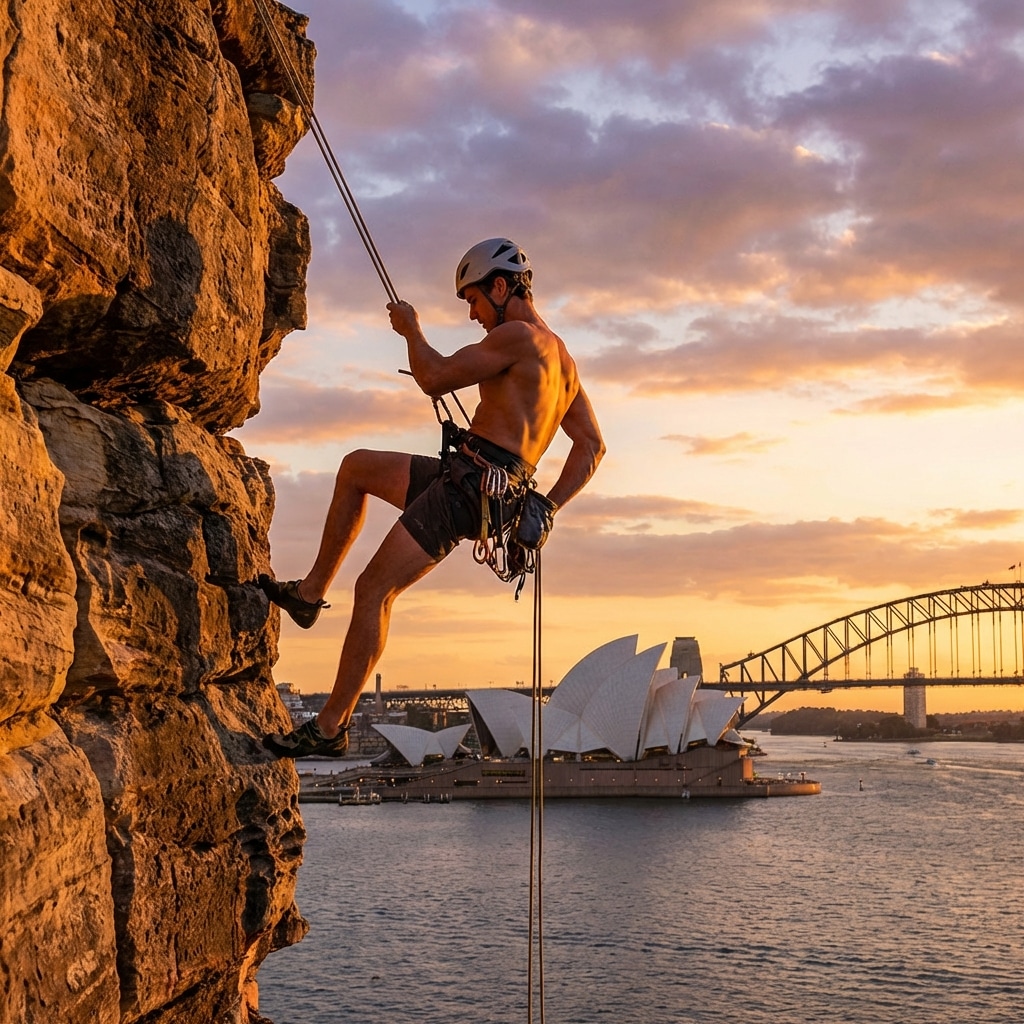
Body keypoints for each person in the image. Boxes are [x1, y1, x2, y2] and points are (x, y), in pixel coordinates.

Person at [260, 238, 606, 758]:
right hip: (470, 477)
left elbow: (435, 378)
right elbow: (591, 447)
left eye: (472, 299)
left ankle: (331, 727)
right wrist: (547, 505)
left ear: (500, 286)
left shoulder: (518, 337)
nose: (471, 313)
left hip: (468, 490)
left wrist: (411, 330)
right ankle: (308, 596)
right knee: (356, 468)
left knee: (374, 589)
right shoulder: (565, 362)